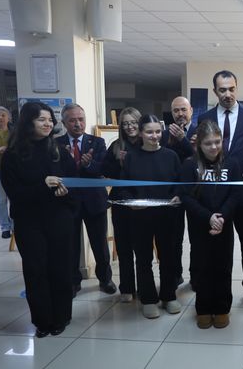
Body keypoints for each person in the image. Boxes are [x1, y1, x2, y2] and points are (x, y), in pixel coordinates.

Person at [1, 101, 76, 337]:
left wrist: (66, 193)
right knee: (36, 270)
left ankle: (62, 317)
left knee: (60, 269)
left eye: (50, 119)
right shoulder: (12, 155)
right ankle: (43, 321)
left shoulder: (58, 151)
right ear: (28, 122)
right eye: (41, 119)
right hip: (29, 222)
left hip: (58, 220)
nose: (48, 123)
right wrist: (43, 187)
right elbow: (15, 194)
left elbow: (72, 182)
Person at [197, 70, 243, 309]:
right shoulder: (204, 117)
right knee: (216, 245)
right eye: (222, 89)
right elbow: (200, 155)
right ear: (215, 91)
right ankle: (214, 289)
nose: (227, 94)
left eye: (231, 88)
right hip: (214, 196)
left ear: (237, 87)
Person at [180, 120, 241, 329]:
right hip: (200, 226)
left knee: (223, 267)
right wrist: (208, 217)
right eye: (208, 143)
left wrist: (222, 216)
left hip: (224, 226)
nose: (214, 147)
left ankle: (222, 308)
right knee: (203, 268)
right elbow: (186, 197)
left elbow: (235, 194)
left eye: (217, 142)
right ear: (199, 144)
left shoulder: (232, 163)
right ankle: (204, 308)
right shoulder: (189, 165)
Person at [120, 114, 182, 319]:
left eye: (157, 131)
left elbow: (179, 184)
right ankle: (148, 298)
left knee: (168, 257)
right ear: (140, 132)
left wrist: (177, 197)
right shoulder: (131, 157)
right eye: (149, 131)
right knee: (144, 259)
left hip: (167, 216)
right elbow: (124, 187)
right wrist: (132, 203)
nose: (154, 136)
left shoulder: (171, 156)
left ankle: (169, 295)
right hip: (140, 218)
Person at [57, 103, 116, 297]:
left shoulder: (97, 142)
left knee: (100, 244)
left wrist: (88, 164)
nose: (77, 124)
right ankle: (73, 282)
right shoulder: (56, 144)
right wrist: (69, 161)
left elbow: (102, 169)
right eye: (72, 120)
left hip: (94, 201)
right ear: (64, 122)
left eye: (81, 119)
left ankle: (105, 279)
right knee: (70, 245)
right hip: (68, 202)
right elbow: (56, 172)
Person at [101, 107, 142, 302]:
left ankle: (144, 287)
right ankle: (127, 287)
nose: (130, 126)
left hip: (143, 204)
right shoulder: (116, 146)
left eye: (133, 122)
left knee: (142, 251)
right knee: (124, 249)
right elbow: (105, 171)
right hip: (121, 204)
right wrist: (119, 163)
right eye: (125, 123)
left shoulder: (148, 143)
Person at [162, 96, 197, 288]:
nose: (180, 114)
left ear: (191, 110)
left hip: (195, 193)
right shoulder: (164, 133)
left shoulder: (199, 130)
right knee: (173, 238)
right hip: (173, 193)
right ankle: (175, 275)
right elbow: (164, 159)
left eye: (183, 109)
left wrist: (184, 140)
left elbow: (199, 157)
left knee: (196, 238)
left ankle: (196, 276)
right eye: (176, 111)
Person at [0, 106, 13, 238]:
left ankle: (16, 225)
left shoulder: (15, 131)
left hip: (14, 170)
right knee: (1, 200)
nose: (0, 117)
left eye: (3, 115)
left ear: (8, 117)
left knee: (14, 198)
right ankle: (5, 227)